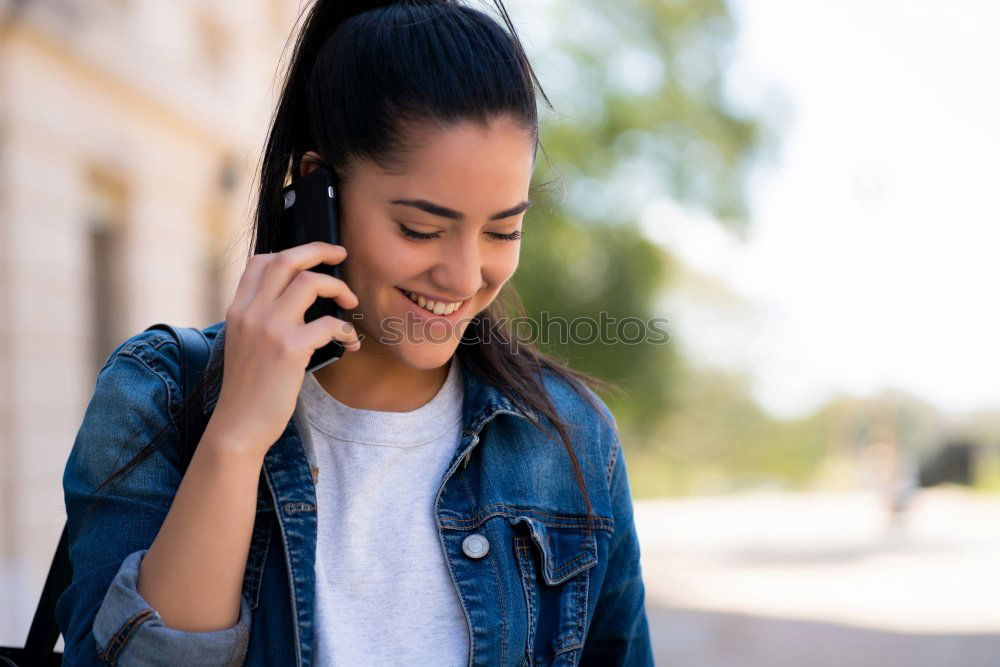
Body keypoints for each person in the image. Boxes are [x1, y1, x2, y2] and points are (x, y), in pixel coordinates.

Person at [56, 1, 654, 665]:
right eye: (420, 229)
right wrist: (237, 433)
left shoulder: (570, 439)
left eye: (502, 230)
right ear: (318, 192)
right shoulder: (157, 397)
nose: (463, 275)